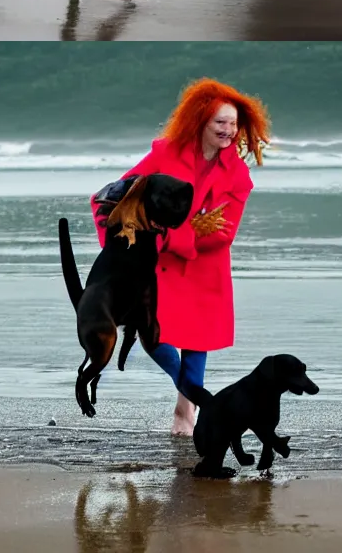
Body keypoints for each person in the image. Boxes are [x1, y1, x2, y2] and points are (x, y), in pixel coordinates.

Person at [92, 79, 268, 434]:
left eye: (233, 124)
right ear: (201, 121)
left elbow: (224, 232)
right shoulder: (165, 154)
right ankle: (196, 395)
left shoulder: (238, 175)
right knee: (149, 332)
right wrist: (123, 237)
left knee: (196, 339)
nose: (228, 131)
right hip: (157, 263)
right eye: (220, 122)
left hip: (204, 265)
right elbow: (120, 194)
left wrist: (172, 236)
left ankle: (185, 412)